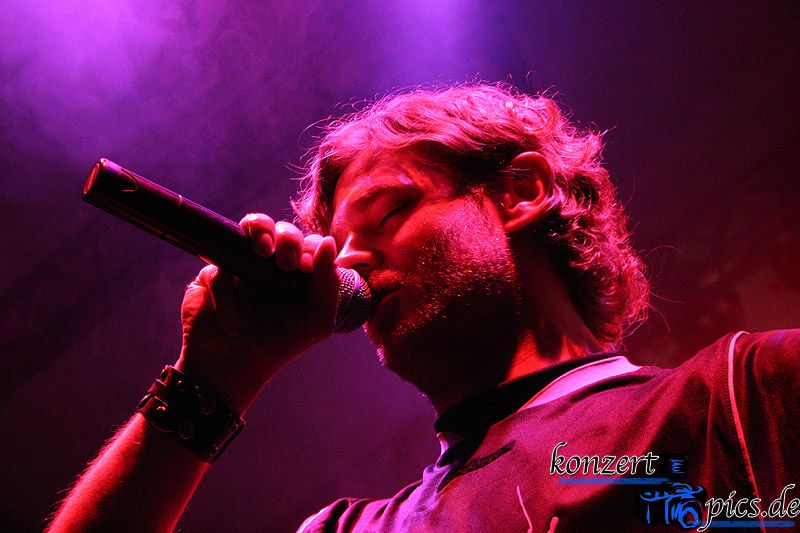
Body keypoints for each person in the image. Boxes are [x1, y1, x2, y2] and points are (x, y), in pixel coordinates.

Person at [49, 84, 798, 532]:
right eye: (337, 245)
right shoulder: (352, 529)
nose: (348, 262)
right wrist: (212, 381)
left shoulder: (739, 398)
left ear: (521, 192)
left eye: (389, 212)